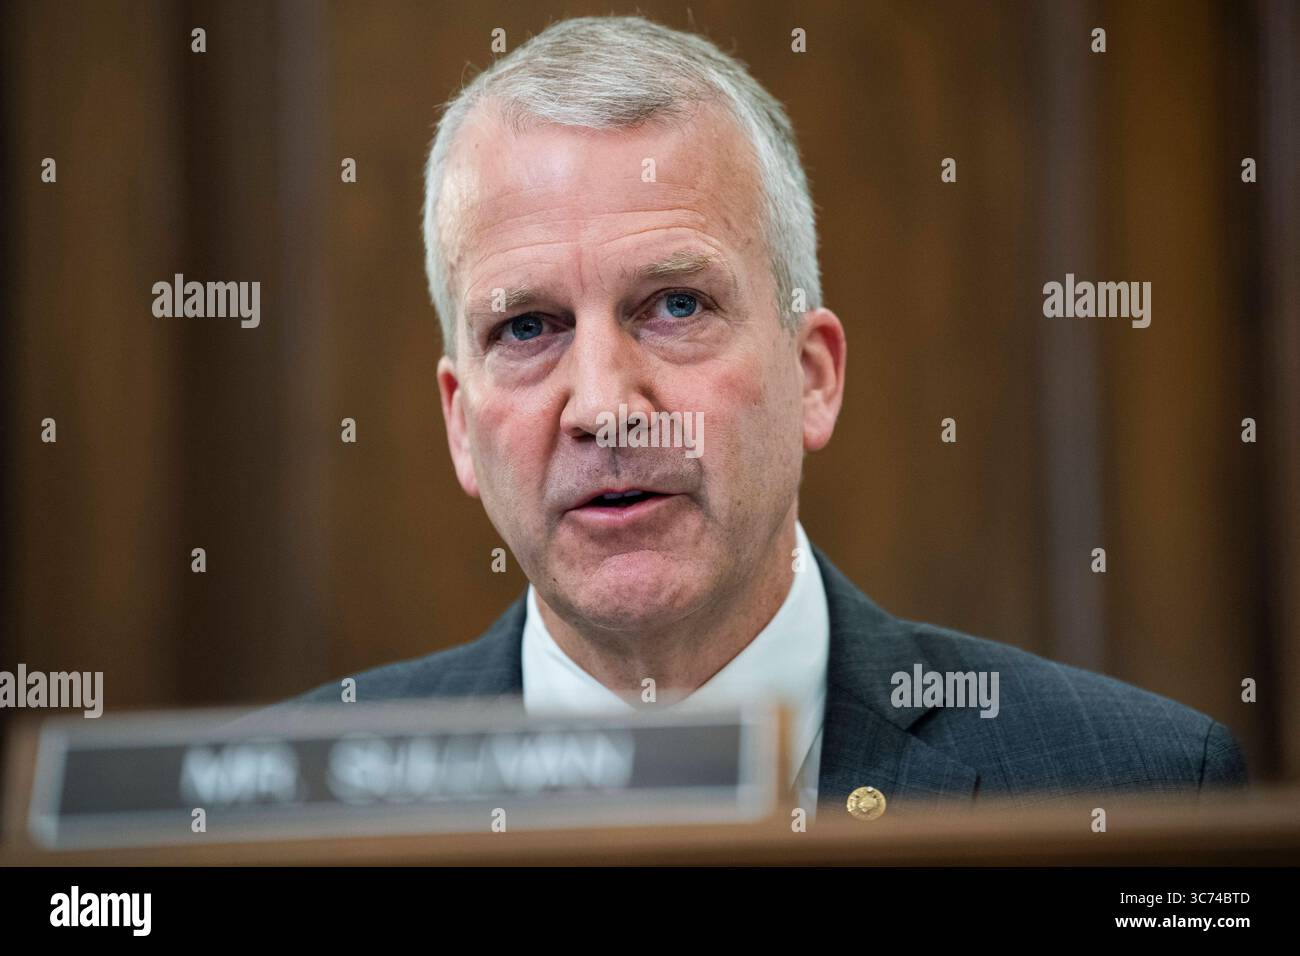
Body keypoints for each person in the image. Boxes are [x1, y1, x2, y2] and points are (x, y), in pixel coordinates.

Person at [280, 15, 1247, 819]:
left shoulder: (1137, 790)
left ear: (812, 375)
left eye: (676, 307)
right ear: (461, 422)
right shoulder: (292, 811)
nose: (607, 408)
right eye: (527, 326)